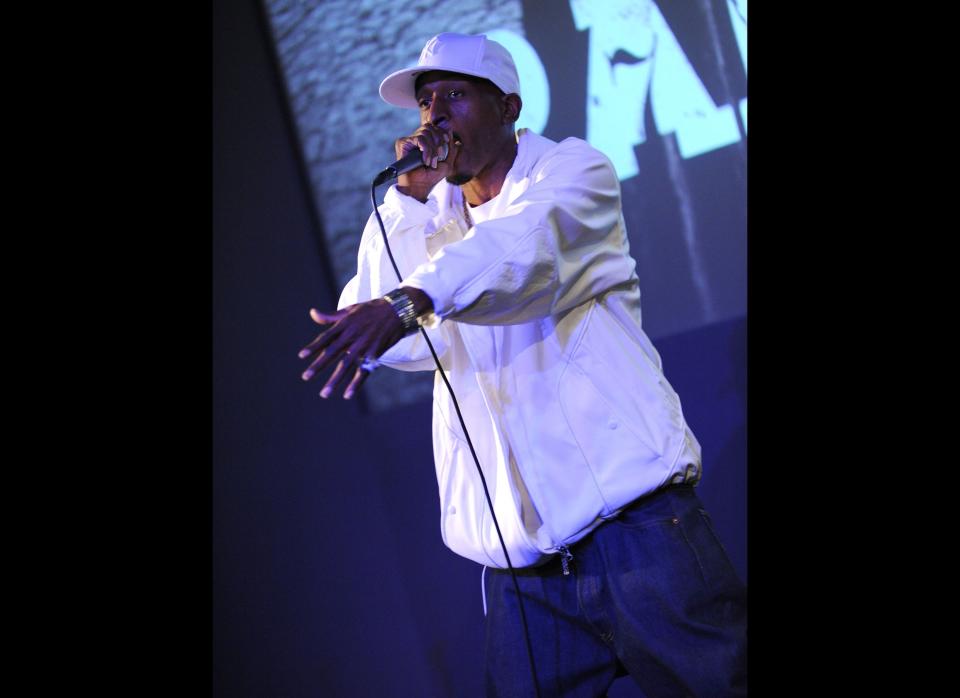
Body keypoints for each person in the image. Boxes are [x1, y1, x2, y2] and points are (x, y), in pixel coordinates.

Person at [299, 32, 746, 698]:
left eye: (453, 95)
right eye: (424, 104)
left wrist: (413, 297)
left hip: (641, 534)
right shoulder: (432, 222)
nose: (433, 118)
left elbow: (524, 257)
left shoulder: (573, 172)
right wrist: (406, 205)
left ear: (508, 106)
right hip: (521, 575)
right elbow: (397, 339)